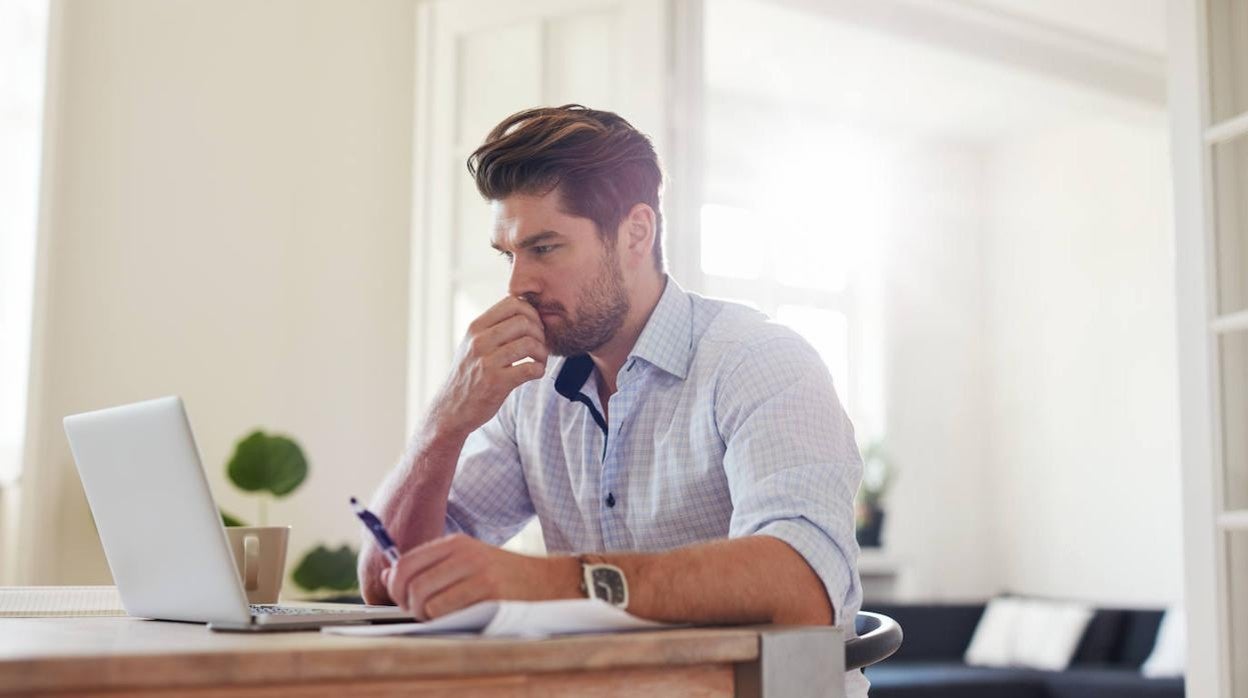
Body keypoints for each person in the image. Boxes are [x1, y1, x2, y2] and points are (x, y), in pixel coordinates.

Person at [359, 104, 867, 696]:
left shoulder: (760, 361)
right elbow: (388, 577)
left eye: (545, 248)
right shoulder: (534, 393)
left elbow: (801, 584)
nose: (517, 283)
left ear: (636, 232)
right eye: (509, 254)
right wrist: (444, 422)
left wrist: (551, 583)